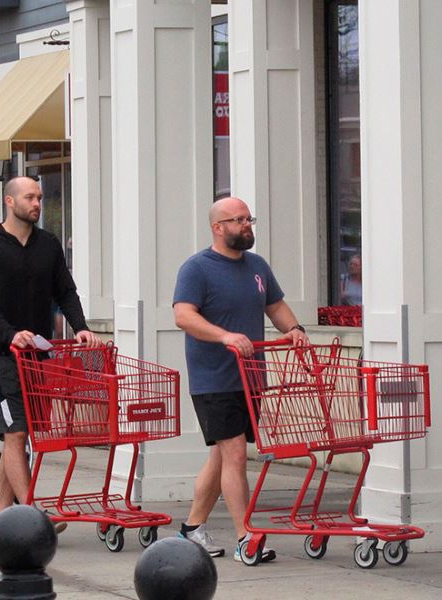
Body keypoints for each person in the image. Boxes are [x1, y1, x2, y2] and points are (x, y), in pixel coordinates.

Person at [172, 196, 308, 562]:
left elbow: (275, 305)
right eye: (239, 220)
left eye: (250, 219)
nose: (247, 225)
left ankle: (191, 529)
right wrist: (225, 336)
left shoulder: (257, 266)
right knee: (233, 455)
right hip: (214, 377)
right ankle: (246, 536)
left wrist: (293, 328)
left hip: (251, 378)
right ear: (218, 227)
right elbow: (183, 316)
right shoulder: (197, 268)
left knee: (222, 455)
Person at [0, 176, 100, 520]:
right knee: (15, 432)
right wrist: (10, 334)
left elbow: (65, 291)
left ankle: (3, 512)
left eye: (40, 197)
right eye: (30, 197)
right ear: (10, 202)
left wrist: (82, 327)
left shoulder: (48, 244)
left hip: (39, 354)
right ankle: (31, 515)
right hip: (2, 354)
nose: (37, 204)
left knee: (24, 435)